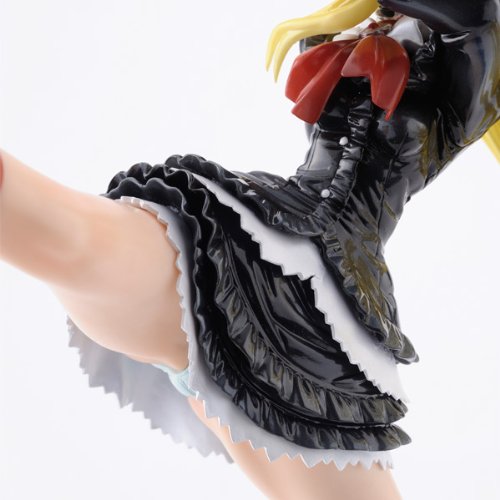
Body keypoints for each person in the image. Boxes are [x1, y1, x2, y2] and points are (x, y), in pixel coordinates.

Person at [1, 1, 499, 499]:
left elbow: (472, 16)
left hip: (321, 295)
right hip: (261, 229)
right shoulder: (357, 29)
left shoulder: (472, 60)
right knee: (64, 232)